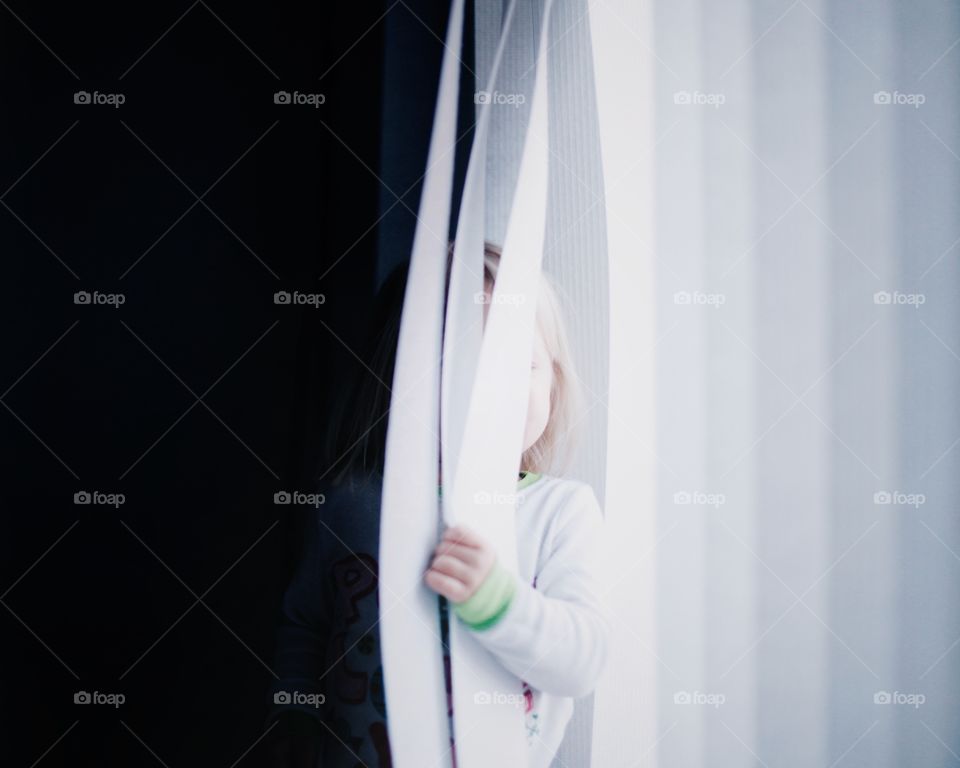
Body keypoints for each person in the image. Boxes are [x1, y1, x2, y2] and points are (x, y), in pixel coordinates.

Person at [264, 242, 611, 768]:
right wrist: (295, 715)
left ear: (554, 384)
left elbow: (581, 661)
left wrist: (499, 602)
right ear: (395, 378)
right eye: (456, 363)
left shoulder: (560, 512)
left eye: (519, 361)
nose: (490, 387)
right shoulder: (355, 502)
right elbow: (305, 625)